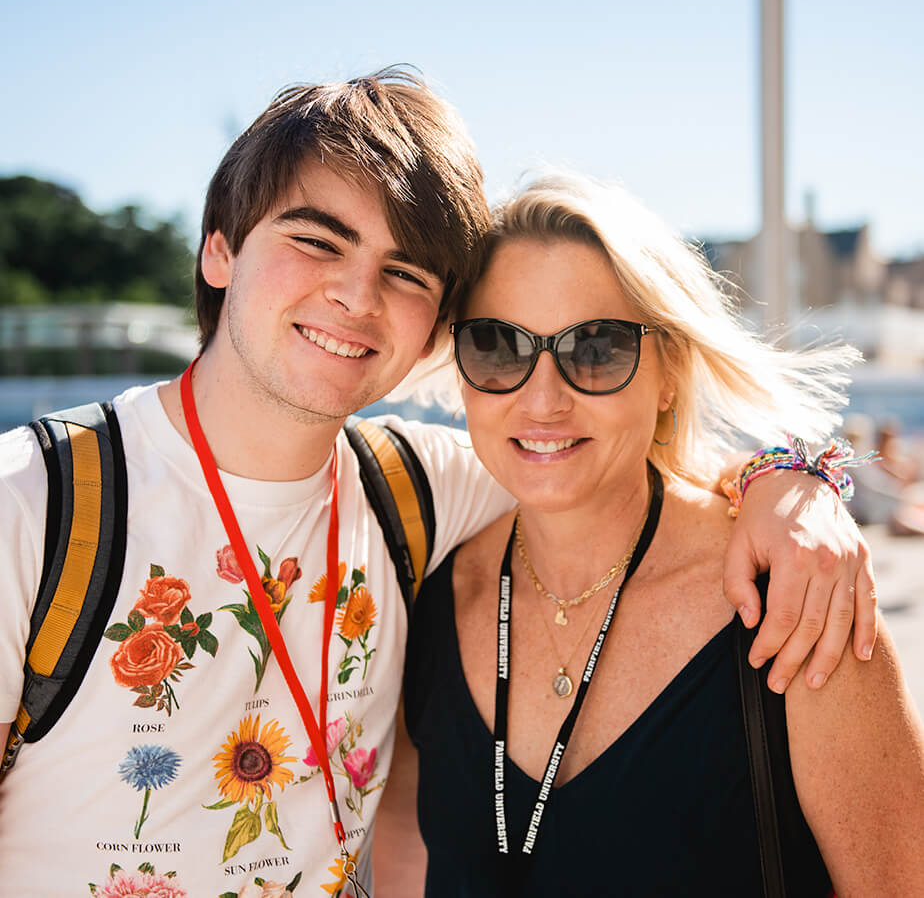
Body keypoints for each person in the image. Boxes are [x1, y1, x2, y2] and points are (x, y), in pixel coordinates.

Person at [0, 72, 877, 897]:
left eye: (406, 273)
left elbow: (606, 463)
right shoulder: (33, 504)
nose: (355, 293)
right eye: (315, 240)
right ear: (219, 251)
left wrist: (793, 482)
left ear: (430, 331)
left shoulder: (415, 493)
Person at [394, 173, 924, 896]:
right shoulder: (428, 600)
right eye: (497, 345)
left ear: (668, 373)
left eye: (596, 349)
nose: (542, 398)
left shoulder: (796, 602)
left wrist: (793, 476)